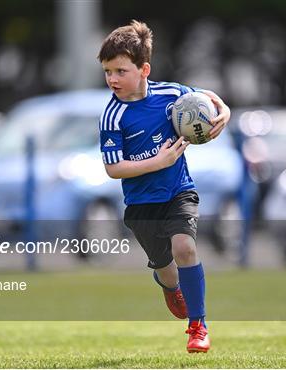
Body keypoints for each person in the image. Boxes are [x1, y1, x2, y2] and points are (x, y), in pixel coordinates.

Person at [97, 20, 230, 353]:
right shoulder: (113, 116)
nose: (112, 79)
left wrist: (224, 113)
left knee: (184, 247)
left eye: (120, 71)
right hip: (142, 205)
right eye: (107, 72)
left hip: (178, 190)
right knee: (167, 271)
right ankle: (170, 287)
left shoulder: (172, 94)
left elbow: (210, 99)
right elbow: (114, 168)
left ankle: (198, 327)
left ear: (144, 69)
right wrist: (157, 162)